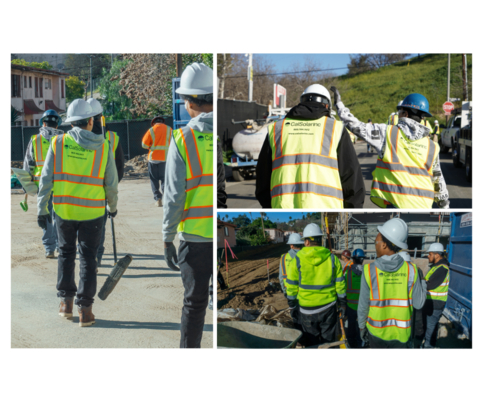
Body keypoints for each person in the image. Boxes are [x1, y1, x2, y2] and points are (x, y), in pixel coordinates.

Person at [37, 99, 118, 327]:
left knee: (65, 253)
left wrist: (41, 208)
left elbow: (46, 180)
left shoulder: (58, 143)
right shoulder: (104, 147)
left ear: (71, 122)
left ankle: (65, 304)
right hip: (92, 213)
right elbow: (111, 184)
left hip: (64, 210)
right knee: (88, 258)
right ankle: (85, 310)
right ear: (91, 121)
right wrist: (113, 207)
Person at [162, 62, 214, 348]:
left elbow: (173, 197)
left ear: (190, 101)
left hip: (195, 239)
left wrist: (167, 237)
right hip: (221, 238)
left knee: (195, 305)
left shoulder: (183, 139)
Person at [332, 88, 450, 209]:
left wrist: (339, 105)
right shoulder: (432, 146)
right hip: (423, 206)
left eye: (400, 111)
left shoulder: (388, 133)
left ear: (406, 114)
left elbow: (356, 126)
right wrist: (445, 207)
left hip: (396, 205)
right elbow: (438, 180)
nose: (398, 114)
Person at [255, 84, 365, 209]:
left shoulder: (276, 129)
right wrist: (352, 209)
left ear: (302, 102)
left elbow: (262, 178)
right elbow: (351, 175)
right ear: (327, 106)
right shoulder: (335, 128)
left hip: (283, 208)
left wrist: (271, 208)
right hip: (327, 209)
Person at [357, 218, 426, 348]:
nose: (375, 245)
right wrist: (423, 282)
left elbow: (363, 306)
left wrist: (361, 327)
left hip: (376, 334)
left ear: (384, 245)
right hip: (402, 336)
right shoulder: (412, 270)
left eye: (376, 242)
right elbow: (419, 303)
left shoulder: (369, 270)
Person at [286, 223, 347, 346]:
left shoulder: (296, 259)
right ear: (320, 240)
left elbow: (291, 286)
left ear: (307, 242)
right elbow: (340, 284)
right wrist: (343, 304)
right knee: (329, 343)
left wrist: (292, 306)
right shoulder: (332, 258)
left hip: (306, 310)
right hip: (328, 308)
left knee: (311, 344)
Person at [87, 98, 125, 267]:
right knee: (98, 227)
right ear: (102, 116)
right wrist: (112, 192)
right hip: (101, 191)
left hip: (79, 189)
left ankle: (88, 260)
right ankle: (96, 258)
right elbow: (119, 168)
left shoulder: (74, 137)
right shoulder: (112, 137)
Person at [24, 110, 62, 258]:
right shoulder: (63, 139)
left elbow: (29, 164)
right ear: (57, 123)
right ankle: (61, 246)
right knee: (60, 215)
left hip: (42, 185)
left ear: (43, 123)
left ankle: (49, 248)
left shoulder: (35, 140)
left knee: (45, 215)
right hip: (61, 184)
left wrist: (26, 184)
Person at [422, 243, 449, 348]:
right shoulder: (436, 267)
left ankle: (429, 346)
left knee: (430, 327)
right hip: (431, 302)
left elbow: (430, 285)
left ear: (437, 255)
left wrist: (421, 282)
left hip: (436, 304)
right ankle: (429, 344)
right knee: (428, 326)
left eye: (430, 254)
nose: (428, 256)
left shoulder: (442, 268)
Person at [142, 116, 173, 206]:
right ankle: (167, 198)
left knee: (154, 180)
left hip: (153, 159)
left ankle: (158, 199)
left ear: (153, 123)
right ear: (163, 122)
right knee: (164, 179)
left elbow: (143, 144)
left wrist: (150, 146)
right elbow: (173, 142)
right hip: (165, 159)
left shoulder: (151, 130)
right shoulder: (169, 129)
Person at [345, 248, 366, 348]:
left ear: (353, 259)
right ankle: (360, 343)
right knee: (361, 326)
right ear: (362, 260)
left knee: (351, 326)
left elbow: (342, 288)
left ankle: (351, 344)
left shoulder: (347, 273)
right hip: (363, 306)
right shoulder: (367, 273)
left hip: (350, 305)